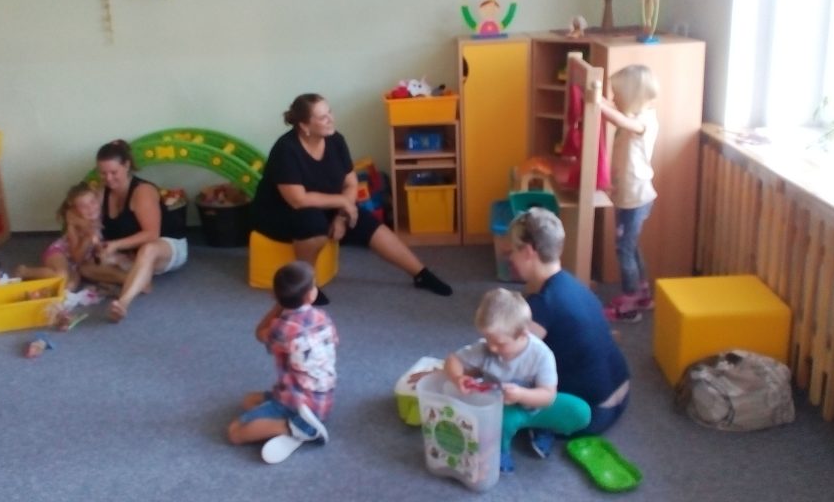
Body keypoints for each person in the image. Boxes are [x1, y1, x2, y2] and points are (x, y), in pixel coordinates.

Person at [251, 93, 452, 305]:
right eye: (322, 117)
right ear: (304, 126)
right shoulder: (286, 149)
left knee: (367, 223)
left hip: (326, 204)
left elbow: (351, 183)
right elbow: (297, 200)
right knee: (312, 223)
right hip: (280, 212)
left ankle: (421, 274)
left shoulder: (336, 140)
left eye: (330, 112)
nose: (331, 119)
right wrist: (344, 203)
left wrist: (341, 216)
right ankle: (306, 286)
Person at [507, 207, 631, 444]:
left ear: (529, 252)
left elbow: (509, 359)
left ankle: (542, 427)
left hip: (592, 414)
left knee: (508, 393)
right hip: (621, 395)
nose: (511, 258)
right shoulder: (573, 284)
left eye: (513, 250)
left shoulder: (542, 305)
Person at [445, 287, 590, 473]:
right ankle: (500, 450)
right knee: (497, 422)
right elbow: (453, 360)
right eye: (488, 340)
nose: (492, 348)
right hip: (502, 408)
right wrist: (458, 377)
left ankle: (541, 427)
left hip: (535, 406)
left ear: (523, 334)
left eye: (500, 343)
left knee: (580, 411)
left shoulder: (541, 354)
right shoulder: (485, 348)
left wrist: (521, 395)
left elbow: (548, 396)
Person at [227, 261, 337, 464]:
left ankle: (296, 427)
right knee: (249, 401)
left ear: (274, 295)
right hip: (322, 401)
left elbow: (259, 333)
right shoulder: (322, 317)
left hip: (295, 404)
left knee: (235, 432)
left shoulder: (280, 329)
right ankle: (292, 425)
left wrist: (278, 304)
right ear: (311, 295)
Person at [78, 140, 189, 323]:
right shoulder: (101, 192)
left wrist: (115, 245)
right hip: (130, 252)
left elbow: (152, 234)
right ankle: (139, 281)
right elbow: (93, 225)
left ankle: (123, 303)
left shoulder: (143, 190)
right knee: (85, 267)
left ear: (127, 165)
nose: (108, 178)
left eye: (114, 172)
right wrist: (96, 240)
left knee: (148, 249)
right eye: (103, 173)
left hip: (166, 246)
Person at [598, 64, 661, 321]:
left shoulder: (645, 121)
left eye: (618, 94)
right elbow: (617, 115)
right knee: (630, 246)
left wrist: (599, 104)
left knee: (623, 248)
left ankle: (630, 302)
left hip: (636, 198)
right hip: (628, 195)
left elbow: (620, 120)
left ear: (633, 96)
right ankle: (643, 293)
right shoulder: (634, 117)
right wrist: (601, 100)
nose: (614, 99)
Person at [15, 182, 128, 292]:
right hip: (60, 253)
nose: (90, 208)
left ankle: (57, 280)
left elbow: (95, 250)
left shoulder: (99, 216)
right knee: (61, 276)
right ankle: (25, 271)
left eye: (92, 202)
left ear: (98, 200)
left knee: (68, 287)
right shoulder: (74, 226)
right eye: (83, 206)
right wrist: (87, 238)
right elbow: (76, 257)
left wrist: (102, 251)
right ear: (76, 210)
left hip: (78, 265)